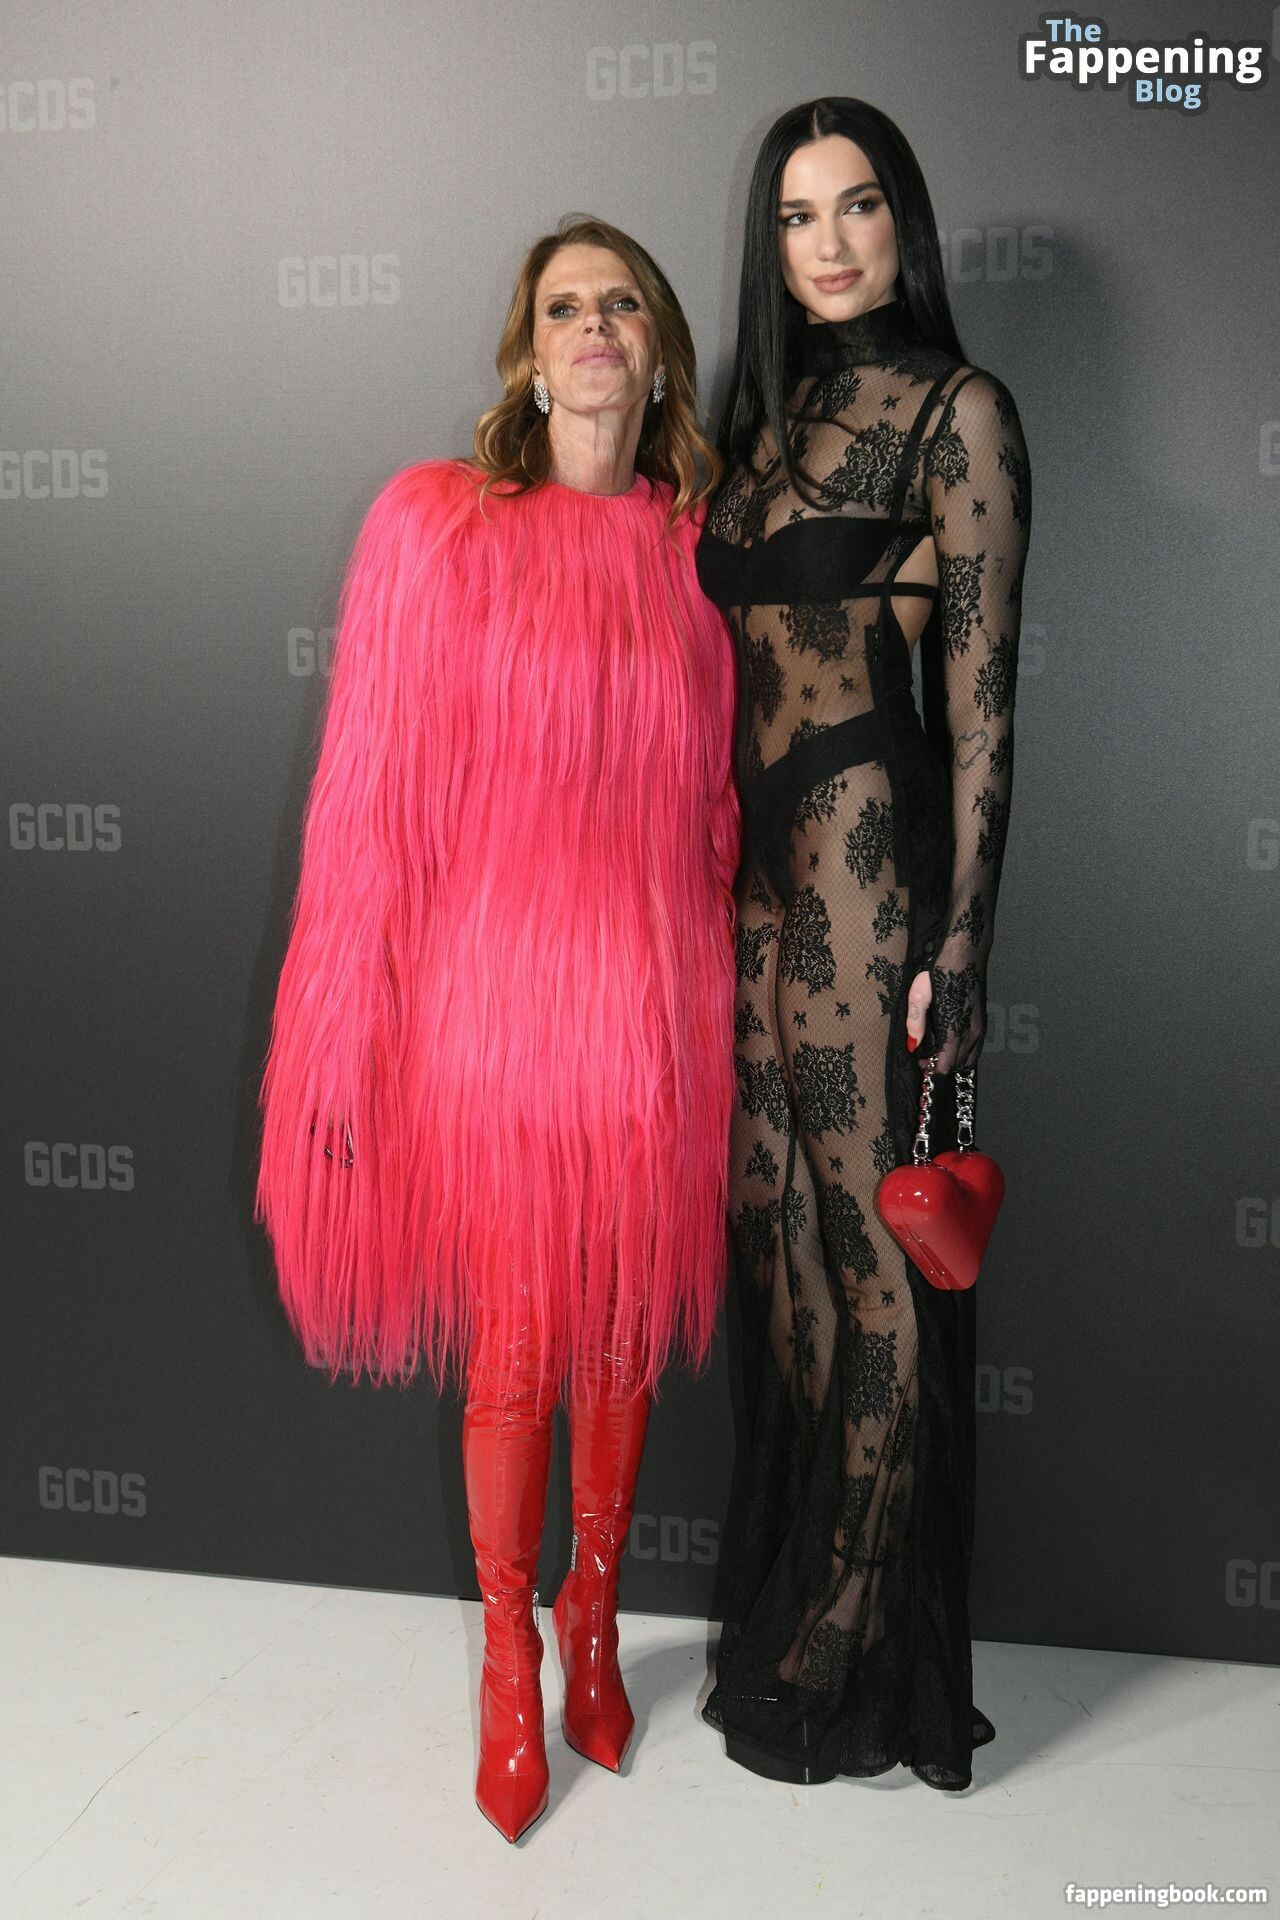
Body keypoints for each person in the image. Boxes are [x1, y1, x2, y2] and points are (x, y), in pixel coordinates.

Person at [254, 215, 739, 1842]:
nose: (595, 327)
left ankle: (597, 1618)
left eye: (623, 305)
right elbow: (369, 804)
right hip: (499, 1016)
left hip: (661, 1010)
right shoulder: (440, 530)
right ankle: (508, 1658)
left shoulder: (704, 554)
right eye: (565, 307)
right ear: (530, 354)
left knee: (623, 1337)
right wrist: (345, 1020)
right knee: (520, 1347)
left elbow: (727, 811)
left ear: (657, 351)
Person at [696, 98, 1033, 1791]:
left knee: (870, 1247)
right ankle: (822, 1578)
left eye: (860, 206)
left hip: (868, 873)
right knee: (781, 1254)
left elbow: (982, 705)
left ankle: (849, 1628)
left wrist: (961, 945)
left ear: (908, 219)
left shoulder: (958, 413)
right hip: (755, 884)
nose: (829, 244)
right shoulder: (758, 425)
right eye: (797, 216)